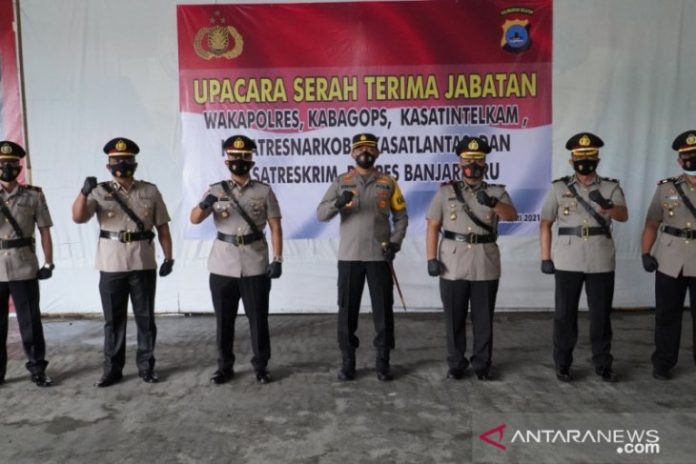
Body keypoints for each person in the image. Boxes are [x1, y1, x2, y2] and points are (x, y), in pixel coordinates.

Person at [72, 137, 173, 387]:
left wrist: (169, 257)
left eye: (127, 160)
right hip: (111, 264)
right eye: (117, 161)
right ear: (108, 165)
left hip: (143, 262)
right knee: (113, 320)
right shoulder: (98, 191)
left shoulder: (150, 191)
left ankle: (146, 367)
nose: (122, 164)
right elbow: (78, 217)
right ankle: (112, 370)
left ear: (135, 163)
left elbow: (163, 228)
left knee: (145, 319)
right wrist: (83, 193)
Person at [190, 135, 283, 385]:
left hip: (255, 262)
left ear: (251, 160)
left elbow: (275, 226)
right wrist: (203, 204)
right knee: (224, 320)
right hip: (223, 264)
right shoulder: (215, 190)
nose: (238, 161)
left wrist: (278, 258)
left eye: (243, 156)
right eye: (234, 156)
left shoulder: (263, 191)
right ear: (226, 160)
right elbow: (195, 219)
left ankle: (261, 366)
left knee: (258, 319)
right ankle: (224, 367)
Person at [317, 133, 408, 381]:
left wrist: (395, 243)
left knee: (383, 311)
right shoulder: (341, 182)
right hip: (349, 257)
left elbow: (401, 217)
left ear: (377, 153)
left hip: (379, 256)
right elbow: (321, 214)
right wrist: (338, 202)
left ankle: (383, 362)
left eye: (370, 148)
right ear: (352, 153)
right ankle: (348, 362)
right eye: (360, 149)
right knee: (347, 311)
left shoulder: (388, 183)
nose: (364, 152)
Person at [425, 136, 517, 381]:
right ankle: (456, 362)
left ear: (485, 163)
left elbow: (511, 216)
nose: (472, 164)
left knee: (483, 318)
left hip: (484, 262)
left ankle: (482, 364)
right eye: (467, 159)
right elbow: (433, 225)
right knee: (454, 317)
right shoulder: (446, 192)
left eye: (478, 160)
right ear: (459, 163)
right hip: (452, 262)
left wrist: (495, 203)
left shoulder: (496, 191)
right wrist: (430, 258)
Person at [539, 132, 628, 382]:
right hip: (567, 257)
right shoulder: (559, 187)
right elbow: (545, 223)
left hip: (600, 256)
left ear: (597, 159)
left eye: (589, 156)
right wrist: (545, 257)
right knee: (565, 314)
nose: (584, 161)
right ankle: (563, 364)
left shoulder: (610, 187)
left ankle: (602, 363)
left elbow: (623, 216)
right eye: (580, 156)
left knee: (601, 314)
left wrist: (609, 207)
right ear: (572, 160)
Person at [641, 130, 696, 380]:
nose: (691, 160)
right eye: (687, 156)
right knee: (667, 314)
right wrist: (645, 251)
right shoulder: (667, 188)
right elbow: (652, 221)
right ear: (679, 160)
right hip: (670, 258)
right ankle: (663, 362)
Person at [0, 141, 54, 387]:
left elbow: (44, 230)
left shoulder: (34, 194)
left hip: (24, 265)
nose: (7, 167)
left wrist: (49, 262)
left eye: (11, 163)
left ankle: (37, 369)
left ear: (19, 166)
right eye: (2, 163)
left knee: (30, 321)